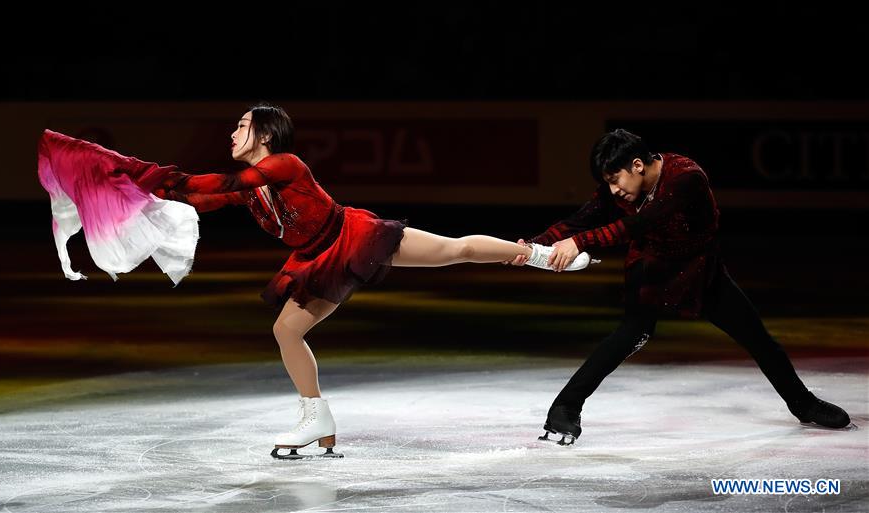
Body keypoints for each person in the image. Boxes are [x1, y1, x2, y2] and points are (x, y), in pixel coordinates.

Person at [148, 103, 594, 459]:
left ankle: (538, 253)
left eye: (241, 125)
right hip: (318, 257)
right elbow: (198, 196)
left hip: (354, 237)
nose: (232, 133)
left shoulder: (284, 164)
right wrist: (134, 185)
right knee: (286, 329)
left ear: (264, 134)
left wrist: (155, 178)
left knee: (455, 249)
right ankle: (316, 417)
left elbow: (213, 181)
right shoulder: (251, 189)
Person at [509, 128, 851, 446]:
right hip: (651, 270)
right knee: (628, 336)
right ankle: (564, 409)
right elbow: (581, 219)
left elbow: (639, 222)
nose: (613, 190)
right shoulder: (624, 185)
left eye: (615, 180)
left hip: (699, 270)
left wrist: (579, 243)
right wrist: (531, 247)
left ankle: (804, 405)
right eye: (608, 183)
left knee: (758, 339)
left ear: (638, 165)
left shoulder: (686, 178)